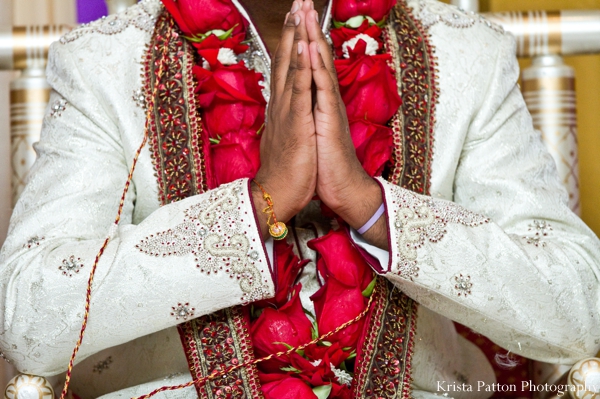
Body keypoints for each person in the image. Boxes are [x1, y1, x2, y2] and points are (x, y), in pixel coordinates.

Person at [0, 0, 599, 397]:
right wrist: (258, 205)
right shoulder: (108, 65)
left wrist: (369, 207)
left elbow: (580, 307)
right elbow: (31, 317)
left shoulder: (465, 56)